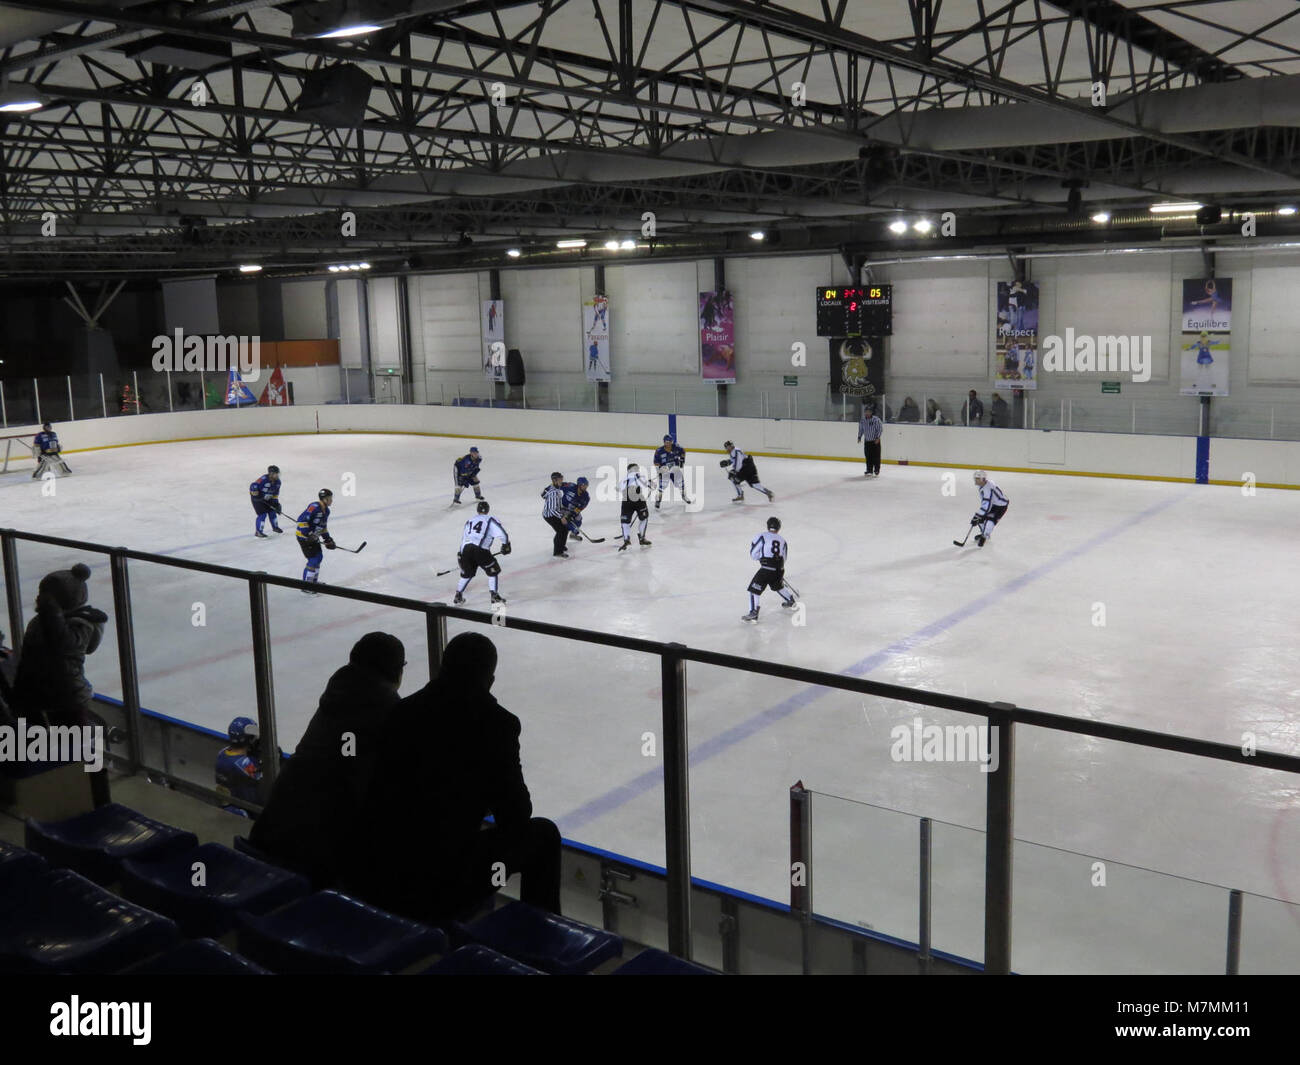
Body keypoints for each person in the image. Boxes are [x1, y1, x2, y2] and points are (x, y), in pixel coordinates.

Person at [344, 632, 562, 924]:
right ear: (489, 680)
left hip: (375, 869)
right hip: (437, 885)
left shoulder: (402, 711)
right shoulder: (497, 723)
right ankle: (539, 937)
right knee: (544, 835)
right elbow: (516, 816)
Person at [250, 633, 405, 887]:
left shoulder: (335, 699)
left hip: (269, 837)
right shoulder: (389, 712)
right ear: (397, 672)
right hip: (316, 861)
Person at [10, 563, 110, 805]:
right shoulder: (40, 621)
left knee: (83, 745)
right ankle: (53, 790)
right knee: (40, 745)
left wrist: (52, 614)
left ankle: (96, 795)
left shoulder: (83, 623)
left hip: (67, 696)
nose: (40, 599)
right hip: (34, 695)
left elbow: (65, 646)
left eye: (48, 596)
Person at [455, 500, 510, 604]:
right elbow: (502, 534)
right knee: (493, 571)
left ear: (477, 510)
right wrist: (506, 545)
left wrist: (461, 553)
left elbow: (464, 538)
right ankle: (494, 595)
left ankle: (458, 595)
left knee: (467, 574)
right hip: (480, 550)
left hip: (466, 549)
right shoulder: (490, 519)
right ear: (488, 510)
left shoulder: (470, 521)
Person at [742, 518, 797, 622]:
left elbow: (753, 554)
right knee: (778, 586)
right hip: (779, 569)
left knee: (754, 590)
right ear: (779, 528)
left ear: (768, 526)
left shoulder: (762, 536)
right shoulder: (783, 540)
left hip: (766, 569)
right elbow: (784, 558)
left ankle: (753, 612)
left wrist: (761, 559)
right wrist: (777, 568)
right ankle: (790, 600)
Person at [215, 717, 263, 819]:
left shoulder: (222, 753)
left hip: (227, 804)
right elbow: (263, 776)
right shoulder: (243, 764)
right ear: (249, 739)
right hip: (242, 811)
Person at [295, 489, 336, 594]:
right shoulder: (314, 507)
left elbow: (322, 527)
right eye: (330, 498)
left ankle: (313, 582)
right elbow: (301, 520)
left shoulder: (326, 511)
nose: (331, 500)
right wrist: (308, 534)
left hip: (313, 538)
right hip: (304, 538)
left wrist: (327, 539)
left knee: (319, 557)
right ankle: (306, 586)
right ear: (324, 499)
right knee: (313, 560)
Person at [617, 463, 652, 551]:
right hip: (639, 500)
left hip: (626, 501)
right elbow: (646, 484)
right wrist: (650, 483)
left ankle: (626, 539)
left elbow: (619, 488)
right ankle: (642, 538)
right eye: (637, 468)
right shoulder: (638, 475)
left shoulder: (623, 478)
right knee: (644, 518)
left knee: (625, 522)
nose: (638, 469)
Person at [970, 470, 1010, 547]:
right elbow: (987, 502)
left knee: (990, 520)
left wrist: (978, 515)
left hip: (1001, 506)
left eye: (978, 478)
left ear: (983, 479)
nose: (976, 480)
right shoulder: (984, 484)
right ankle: (984, 534)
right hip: (993, 504)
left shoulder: (987, 489)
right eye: (975, 478)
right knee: (980, 519)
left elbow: (987, 504)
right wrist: (979, 516)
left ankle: (985, 536)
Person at [653, 435, 693, 509]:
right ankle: (658, 500)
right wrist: (660, 470)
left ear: (672, 442)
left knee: (681, 483)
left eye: (669, 442)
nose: (668, 443)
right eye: (666, 442)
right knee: (663, 486)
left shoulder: (676, 448)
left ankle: (684, 496)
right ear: (664, 442)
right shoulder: (659, 451)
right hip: (665, 471)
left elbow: (683, 451)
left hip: (675, 469)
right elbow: (656, 462)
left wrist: (682, 459)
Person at [249, 465, 284, 537]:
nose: (278, 475)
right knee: (262, 514)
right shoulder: (263, 480)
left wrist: (276, 504)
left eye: (278, 473)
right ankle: (258, 532)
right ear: (271, 474)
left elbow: (275, 494)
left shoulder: (278, 482)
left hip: (268, 499)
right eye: (276, 474)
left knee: (272, 511)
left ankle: (275, 527)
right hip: (258, 500)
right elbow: (253, 486)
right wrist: (256, 496)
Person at [541, 471, 569, 558]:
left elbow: (543, 495)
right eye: (560, 479)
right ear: (555, 480)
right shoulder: (553, 493)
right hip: (550, 515)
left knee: (564, 529)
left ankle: (561, 545)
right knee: (561, 531)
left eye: (561, 478)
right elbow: (552, 510)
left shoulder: (553, 487)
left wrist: (562, 510)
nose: (562, 480)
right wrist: (562, 517)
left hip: (553, 513)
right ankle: (558, 551)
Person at [560, 476, 591, 544]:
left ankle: (572, 534)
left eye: (586, 485)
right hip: (562, 506)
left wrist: (572, 514)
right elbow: (559, 485)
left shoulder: (586, 497)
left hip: (571, 509)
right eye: (584, 485)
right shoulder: (570, 486)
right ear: (579, 485)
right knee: (565, 520)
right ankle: (568, 531)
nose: (585, 487)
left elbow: (580, 508)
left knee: (578, 519)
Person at [857, 404, 883, 477]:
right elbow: (861, 429)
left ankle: (876, 470)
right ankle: (869, 470)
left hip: (875, 441)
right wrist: (859, 437)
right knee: (868, 456)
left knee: (876, 456)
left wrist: (878, 438)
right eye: (866, 411)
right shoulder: (862, 420)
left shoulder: (876, 420)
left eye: (869, 411)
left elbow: (880, 429)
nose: (867, 413)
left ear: (871, 412)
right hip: (867, 441)